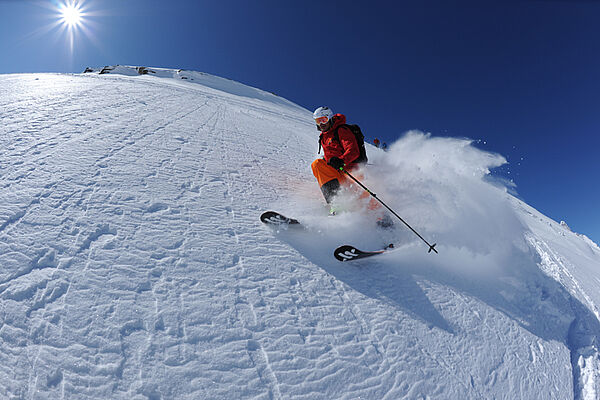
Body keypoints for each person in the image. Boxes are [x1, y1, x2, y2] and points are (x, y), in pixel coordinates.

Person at [310, 107, 394, 227]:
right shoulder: (323, 137)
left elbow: (353, 150)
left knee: (360, 193)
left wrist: (341, 161)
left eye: (323, 120)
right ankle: (337, 204)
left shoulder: (341, 130)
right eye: (318, 121)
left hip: (350, 168)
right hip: (337, 171)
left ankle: (383, 218)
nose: (321, 124)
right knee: (317, 164)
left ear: (330, 118)